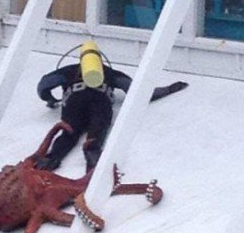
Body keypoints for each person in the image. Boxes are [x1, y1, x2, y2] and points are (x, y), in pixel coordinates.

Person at [35, 41, 188, 172]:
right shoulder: (110, 72)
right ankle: (92, 151)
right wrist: (169, 89)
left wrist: (50, 99)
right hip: (100, 103)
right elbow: (138, 92)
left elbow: (44, 85)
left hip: (74, 103)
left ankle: (51, 158)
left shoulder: (68, 70)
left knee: (69, 133)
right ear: (99, 59)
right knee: (98, 130)